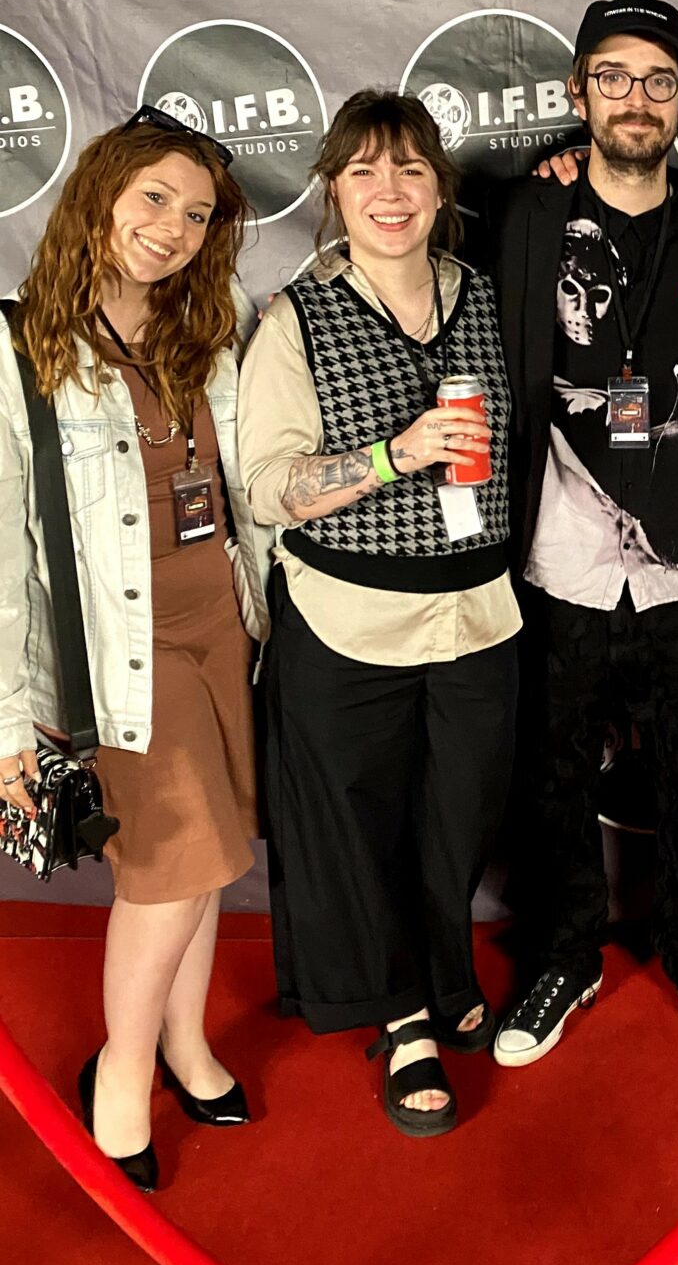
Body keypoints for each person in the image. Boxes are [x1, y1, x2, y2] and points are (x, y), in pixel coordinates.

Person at [491, 0, 678, 1070]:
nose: (636, 99)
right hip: (560, 552)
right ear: (577, 93)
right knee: (550, 769)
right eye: (613, 76)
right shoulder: (529, 217)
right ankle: (565, 954)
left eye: (657, 80)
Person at [238, 90, 517, 1138]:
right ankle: (404, 1015)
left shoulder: (485, 297)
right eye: (363, 171)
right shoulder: (295, 316)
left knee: (457, 820)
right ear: (333, 191)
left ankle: (445, 969)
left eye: (408, 169)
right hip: (348, 615)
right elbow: (266, 487)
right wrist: (396, 455)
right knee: (370, 827)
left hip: (480, 610)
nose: (388, 192)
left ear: (441, 186)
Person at [0, 110, 270, 1192]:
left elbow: (249, 478)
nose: (172, 227)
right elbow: (3, 553)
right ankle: (118, 1072)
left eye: (197, 212)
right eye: (154, 197)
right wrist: (10, 721)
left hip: (221, 628)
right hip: (125, 658)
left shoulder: (212, 320)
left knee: (204, 863)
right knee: (167, 873)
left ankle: (184, 1040)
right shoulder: (19, 345)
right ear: (101, 191)